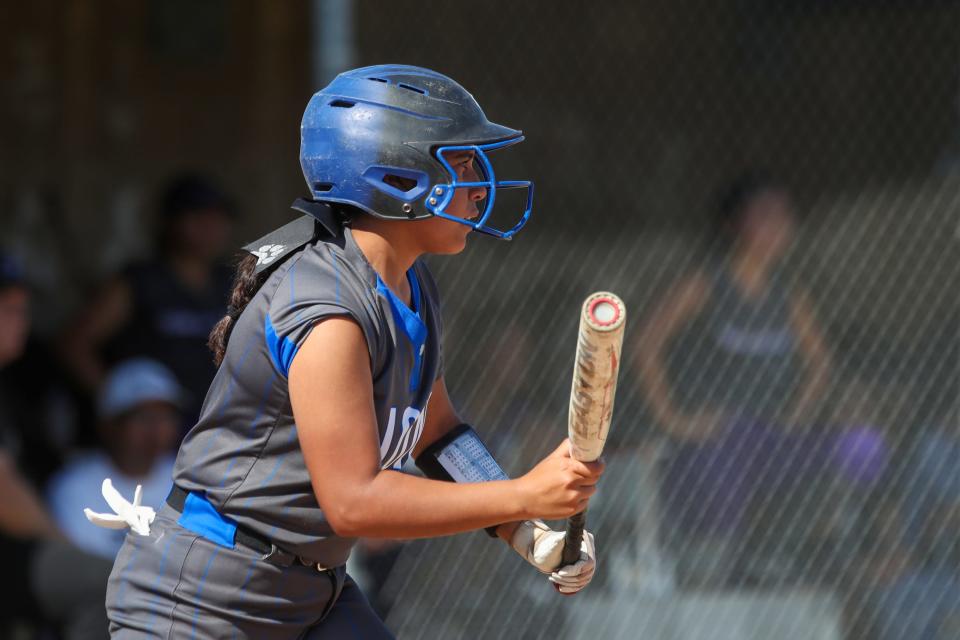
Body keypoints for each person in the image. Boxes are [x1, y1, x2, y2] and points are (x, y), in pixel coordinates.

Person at [88, 65, 602, 638]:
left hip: (309, 592)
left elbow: (438, 433)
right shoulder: (328, 308)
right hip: (205, 600)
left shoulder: (410, 282)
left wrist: (523, 525)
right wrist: (522, 493)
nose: (481, 183)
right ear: (396, 178)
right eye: (460, 162)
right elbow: (354, 502)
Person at [635, 173, 887, 586]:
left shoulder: (788, 295)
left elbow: (821, 364)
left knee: (864, 448)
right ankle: (719, 569)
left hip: (771, 435)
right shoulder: (707, 282)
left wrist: (799, 415)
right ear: (734, 224)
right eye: (764, 215)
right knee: (718, 485)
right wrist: (673, 420)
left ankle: (778, 551)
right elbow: (646, 344)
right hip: (717, 436)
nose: (777, 226)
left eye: (783, 217)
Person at [60, 173, 236, 429]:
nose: (211, 227)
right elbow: (73, 345)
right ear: (171, 221)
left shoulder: (229, 282)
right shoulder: (140, 281)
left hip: (214, 426)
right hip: (154, 437)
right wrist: (121, 403)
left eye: (219, 217)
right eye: (199, 217)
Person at [48, 359, 180, 560]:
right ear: (108, 425)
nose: (156, 429)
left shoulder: (187, 480)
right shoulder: (73, 487)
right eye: (143, 417)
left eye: (165, 417)